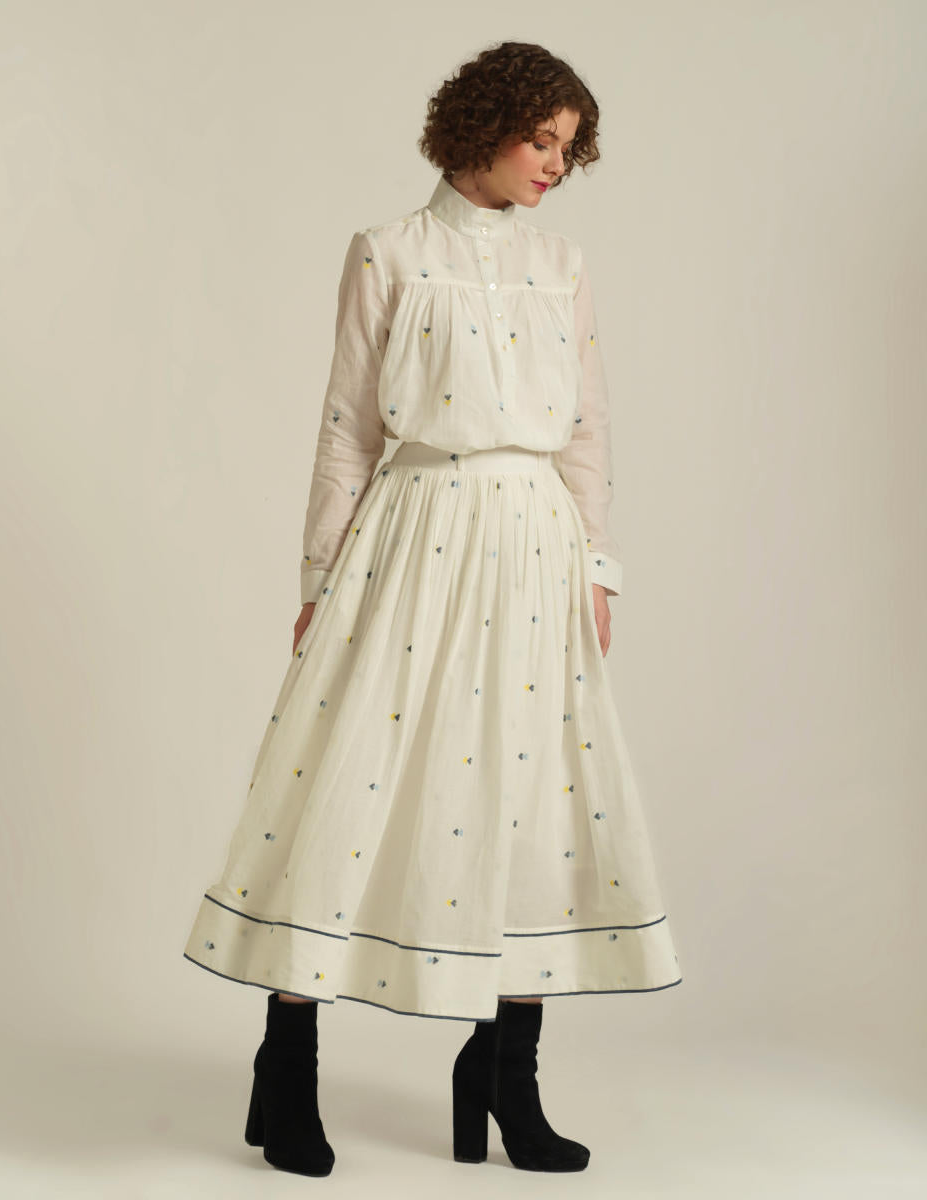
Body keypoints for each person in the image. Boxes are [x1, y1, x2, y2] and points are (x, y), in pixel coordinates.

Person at [183, 40, 683, 1178]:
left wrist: (596, 566)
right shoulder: (390, 252)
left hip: (537, 546)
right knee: (345, 788)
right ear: (482, 128)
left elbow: (589, 427)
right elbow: (346, 429)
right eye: (540, 140)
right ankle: (286, 1068)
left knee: (531, 799)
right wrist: (319, 582)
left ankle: (505, 1075)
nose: (554, 164)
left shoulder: (561, 263)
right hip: (412, 534)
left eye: (569, 148)